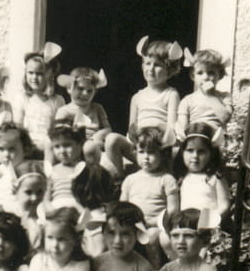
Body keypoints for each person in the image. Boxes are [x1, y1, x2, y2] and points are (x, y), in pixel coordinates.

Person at [104, 36, 184, 177]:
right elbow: (132, 130)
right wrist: (138, 145)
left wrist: (155, 139)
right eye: (147, 63)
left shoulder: (171, 94)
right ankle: (120, 180)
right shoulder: (137, 97)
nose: (151, 69)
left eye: (158, 65)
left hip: (160, 147)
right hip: (139, 147)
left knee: (176, 151)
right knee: (112, 139)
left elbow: (171, 129)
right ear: (142, 66)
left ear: (169, 70)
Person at [119, 127, 179, 268]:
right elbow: (122, 206)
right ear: (135, 153)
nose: (146, 157)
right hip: (134, 224)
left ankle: (155, 270)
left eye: (151, 152)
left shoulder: (166, 179)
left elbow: (173, 209)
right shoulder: (130, 179)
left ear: (162, 154)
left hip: (157, 225)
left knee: (151, 237)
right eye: (141, 152)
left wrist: (155, 222)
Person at [12, 43, 64, 158]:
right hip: (26, 142)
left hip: (48, 144)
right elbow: (18, 125)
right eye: (30, 73)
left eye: (39, 74)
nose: (34, 78)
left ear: (49, 76)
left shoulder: (57, 100)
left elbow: (59, 127)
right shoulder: (22, 97)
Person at [171, 124, 231, 220]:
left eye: (201, 151)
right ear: (182, 152)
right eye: (190, 150)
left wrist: (211, 221)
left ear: (211, 154)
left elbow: (224, 205)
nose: (195, 156)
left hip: (210, 225)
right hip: (186, 228)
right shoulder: (181, 178)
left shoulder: (215, 178)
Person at [55, 67, 110, 164]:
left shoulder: (97, 108)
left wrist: (98, 135)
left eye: (90, 91)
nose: (85, 94)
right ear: (69, 89)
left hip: (96, 146)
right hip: (74, 150)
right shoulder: (64, 111)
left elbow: (108, 129)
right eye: (80, 89)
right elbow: (60, 135)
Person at [176, 49, 233, 142]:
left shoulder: (224, 97)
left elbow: (225, 118)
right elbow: (183, 127)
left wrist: (210, 96)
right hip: (196, 140)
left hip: (217, 141)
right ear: (193, 76)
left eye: (211, 73)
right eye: (200, 73)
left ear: (220, 75)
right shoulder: (187, 100)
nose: (205, 77)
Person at [0, 123, 32, 209]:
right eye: (1, 149)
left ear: (26, 149)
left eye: (11, 149)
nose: (6, 154)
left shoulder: (29, 171)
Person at [11, 161, 48, 253]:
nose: (34, 198)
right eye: (28, 192)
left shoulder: (48, 218)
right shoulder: (12, 218)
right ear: (16, 192)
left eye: (39, 192)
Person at [47, 122, 86, 206]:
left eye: (67, 145)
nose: (62, 151)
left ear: (79, 145)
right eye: (57, 147)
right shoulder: (53, 170)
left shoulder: (84, 167)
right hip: (57, 207)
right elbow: (46, 197)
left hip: (78, 206)